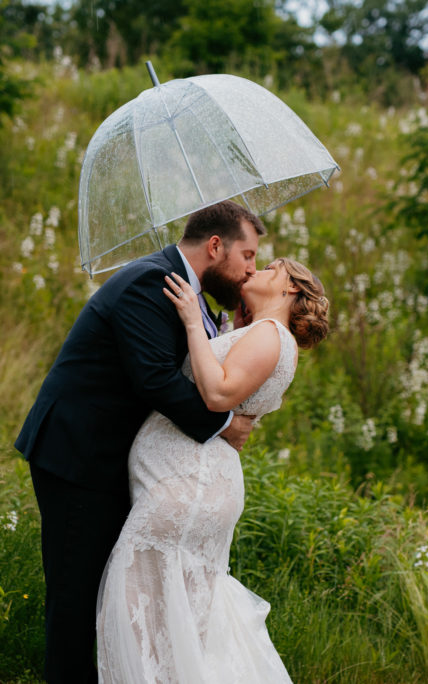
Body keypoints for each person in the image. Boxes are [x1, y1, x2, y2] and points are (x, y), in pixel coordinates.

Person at [14, 200, 266, 683]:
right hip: (77, 455)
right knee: (74, 594)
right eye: (248, 256)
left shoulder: (189, 292)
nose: (251, 269)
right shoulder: (149, 282)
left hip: (111, 461)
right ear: (216, 246)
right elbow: (155, 380)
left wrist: (230, 331)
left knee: (107, 591)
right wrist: (225, 426)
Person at [96, 257, 330, 682]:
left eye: (271, 268)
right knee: (174, 628)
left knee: (136, 614)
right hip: (190, 484)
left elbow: (218, 393)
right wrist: (227, 333)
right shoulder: (258, 333)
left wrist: (190, 320)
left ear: (291, 289)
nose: (255, 270)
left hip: (190, 487)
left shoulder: (270, 335)